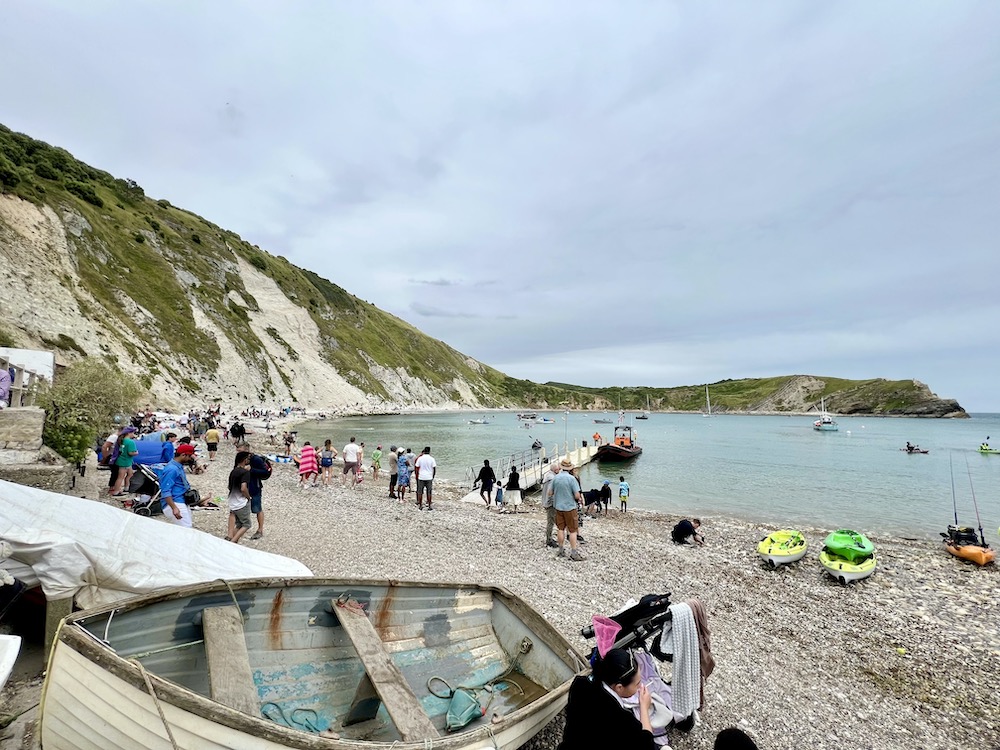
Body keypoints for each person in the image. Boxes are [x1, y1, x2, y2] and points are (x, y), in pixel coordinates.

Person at [558, 648, 655, 749]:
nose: (640, 686)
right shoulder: (623, 721)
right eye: (637, 683)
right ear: (619, 687)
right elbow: (647, 745)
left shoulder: (580, 685)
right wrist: (644, 707)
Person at [549, 458, 584, 561]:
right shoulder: (572, 479)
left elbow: (550, 493)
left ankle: (561, 550)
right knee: (572, 530)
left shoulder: (556, 478)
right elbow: (577, 495)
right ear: (570, 468)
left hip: (558, 507)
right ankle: (573, 553)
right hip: (570, 507)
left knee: (560, 529)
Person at [159, 443, 197, 527]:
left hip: (181, 500)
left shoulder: (177, 466)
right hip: (176, 502)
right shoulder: (172, 469)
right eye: (190, 456)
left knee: (186, 527)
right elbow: (165, 490)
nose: (191, 459)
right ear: (183, 455)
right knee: (186, 529)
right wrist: (174, 508)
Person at [225, 451, 253, 543]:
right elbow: (243, 488)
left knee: (239, 523)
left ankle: (231, 539)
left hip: (232, 501)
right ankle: (233, 541)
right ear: (245, 460)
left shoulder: (233, 471)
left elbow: (229, 487)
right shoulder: (245, 473)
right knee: (247, 524)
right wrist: (248, 497)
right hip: (241, 502)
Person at [246, 451, 270, 539]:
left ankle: (260, 530)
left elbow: (265, 472)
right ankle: (240, 527)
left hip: (255, 488)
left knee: (257, 509)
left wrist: (251, 469)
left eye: (240, 450)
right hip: (244, 487)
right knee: (240, 508)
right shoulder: (240, 458)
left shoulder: (256, 459)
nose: (238, 451)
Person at [110, 426, 139, 496]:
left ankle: (126, 488)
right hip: (125, 462)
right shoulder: (131, 442)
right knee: (120, 477)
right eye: (133, 433)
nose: (133, 434)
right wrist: (136, 453)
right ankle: (116, 491)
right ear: (129, 433)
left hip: (123, 460)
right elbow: (131, 452)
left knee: (130, 474)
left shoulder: (121, 440)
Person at [540, 459, 560, 547]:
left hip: (545, 501)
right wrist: (552, 502)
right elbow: (550, 493)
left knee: (552, 521)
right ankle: (548, 539)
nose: (559, 471)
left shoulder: (547, 476)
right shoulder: (552, 479)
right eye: (559, 469)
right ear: (555, 470)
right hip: (550, 503)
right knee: (550, 522)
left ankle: (550, 537)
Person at [414, 446, 437, 510]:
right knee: (429, 492)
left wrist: (417, 474)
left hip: (421, 476)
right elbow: (434, 468)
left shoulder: (420, 458)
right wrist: (433, 476)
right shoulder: (432, 459)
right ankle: (429, 505)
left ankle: (420, 505)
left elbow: (416, 467)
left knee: (420, 492)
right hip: (429, 477)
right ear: (429, 451)